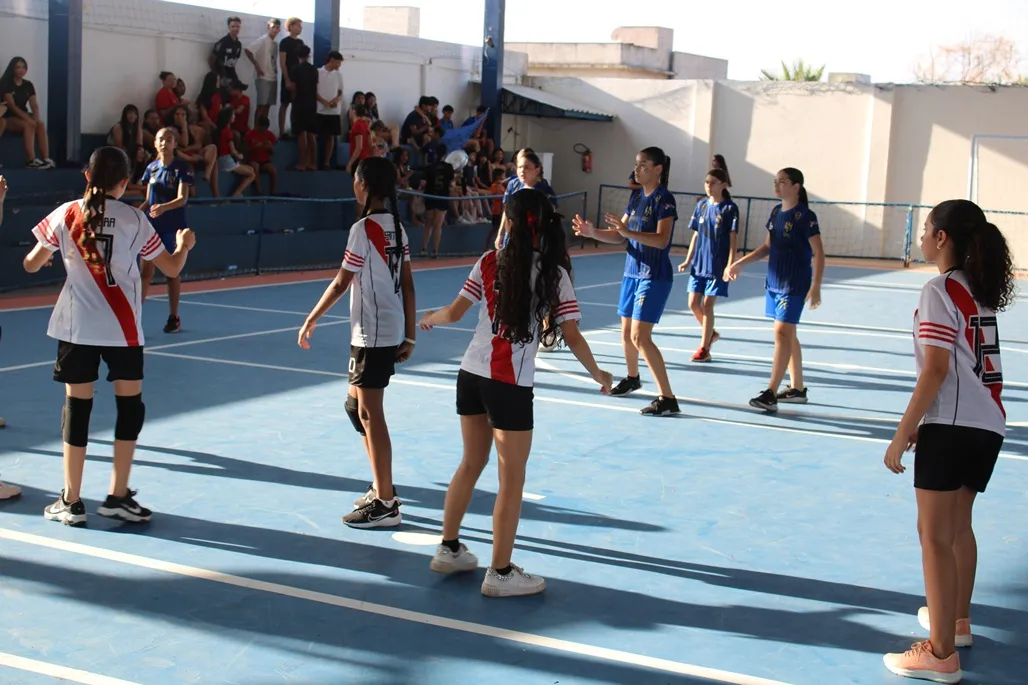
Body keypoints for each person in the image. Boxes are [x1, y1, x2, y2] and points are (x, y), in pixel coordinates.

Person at [418, 188, 612, 596]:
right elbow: (572, 334)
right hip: (509, 385)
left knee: (470, 463)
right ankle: (501, 572)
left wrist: (431, 317)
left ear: (508, 222)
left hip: (470, 375)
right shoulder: (553, 274)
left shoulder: (489, 261)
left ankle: (448, 549)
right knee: (511, 480)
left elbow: (454, 312)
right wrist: (598, 372)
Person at [22, 147, 195, 526]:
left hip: (77, 327)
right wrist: (185, 245)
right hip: (123, 328)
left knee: (77, 410)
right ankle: (117, 496)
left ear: (87, 175)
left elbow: (31, 264)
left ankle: (71, 500)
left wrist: (50, 256)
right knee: (130, 408)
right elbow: (171, 267)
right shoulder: (134, 219)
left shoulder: (67, 213)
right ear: (125, 182)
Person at [881, 199, 1013, 685]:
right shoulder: (977, 289)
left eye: (926, 229)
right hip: (986, 424)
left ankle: (940, 654)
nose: (921, 237)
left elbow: (936, 369)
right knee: (958, 528)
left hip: (954, 427)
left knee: (933, 535)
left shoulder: (939, 289)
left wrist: (902, 431)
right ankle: (956, 622)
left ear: (941, 238)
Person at [298, 157, 416, 529]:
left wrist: (312, 317)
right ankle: (381, 485)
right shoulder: (396, 227)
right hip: (385, 329)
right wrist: (409, 333)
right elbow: (408, 285)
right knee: (355, 407)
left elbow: (340, 282)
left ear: (362, 185)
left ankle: (386, 503)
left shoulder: (363, 229)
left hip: (372, 333)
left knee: (370, 414)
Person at [571, 146, 680, 417]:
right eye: (636, 164)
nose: (637, 170)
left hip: (653, 274)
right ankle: (632, 377)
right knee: (626, 334)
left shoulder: (665, 200)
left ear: (658, 169)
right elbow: (620, 235)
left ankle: (667, 397)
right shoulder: (635, 197)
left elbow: (661, 240)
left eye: (644, 165)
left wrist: (627, 232)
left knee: (640, 336)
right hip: (632, 271)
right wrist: (593, 232)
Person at [724, 168, 824, 412]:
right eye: (775, 181)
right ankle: (797, 388)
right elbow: (767, 247)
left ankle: (770, 393)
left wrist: (816, 286)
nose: (776, 185)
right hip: (775, 283)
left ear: (796, 186)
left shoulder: (805, 216)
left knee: (781, 333)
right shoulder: (776, 212)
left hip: (795, 283)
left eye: (782, 181)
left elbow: (819, 253)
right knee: (788, 334)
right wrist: (739, 263)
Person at [678, 168, 738, 362]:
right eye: (706, 182)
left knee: (708, 305)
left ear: (723, 185)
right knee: (693, 304)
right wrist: (688, 259)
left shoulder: (729, 208)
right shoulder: (702, 205)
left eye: (713, 182)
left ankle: (704, 348)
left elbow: (733, 239)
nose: (708, 186)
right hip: (699, 264)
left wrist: (730, 265)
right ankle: (710, 333)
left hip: (717, 265)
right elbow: (696, 234)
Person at [140, 127, 193, 333]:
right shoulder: (151, 168)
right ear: (155, 143)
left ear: (175, 144)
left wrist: (163, 207)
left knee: (172, 271)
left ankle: (174, 317)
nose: (164, 143)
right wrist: (137, 213)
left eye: (169, 139)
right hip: (151, 227)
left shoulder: (181, 168)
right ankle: (134, 316)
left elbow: (182, 198)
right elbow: (148, 199)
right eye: (161, 139)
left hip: (172, 226)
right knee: (145, 272)